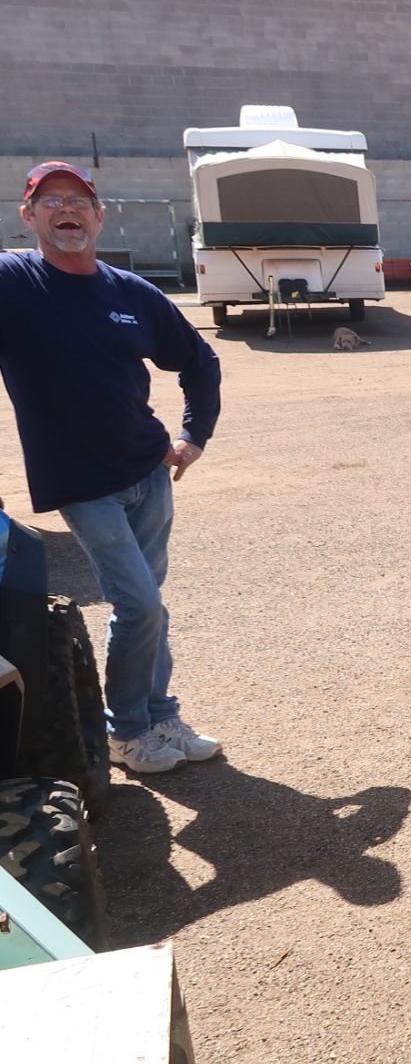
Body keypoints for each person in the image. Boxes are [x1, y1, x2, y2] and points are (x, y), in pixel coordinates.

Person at [0, 160, 222, 774]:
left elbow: (199, 362)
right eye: (49, 201)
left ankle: (159, 713)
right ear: (28, 217)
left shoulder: (132, 293)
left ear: (99, 216)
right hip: (81, 482)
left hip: (148, 473)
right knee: (140, 605)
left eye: (78, 200)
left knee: (149, 603)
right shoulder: (15, 281)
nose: (65, 209)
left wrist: (192, 437)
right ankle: (127, 732)